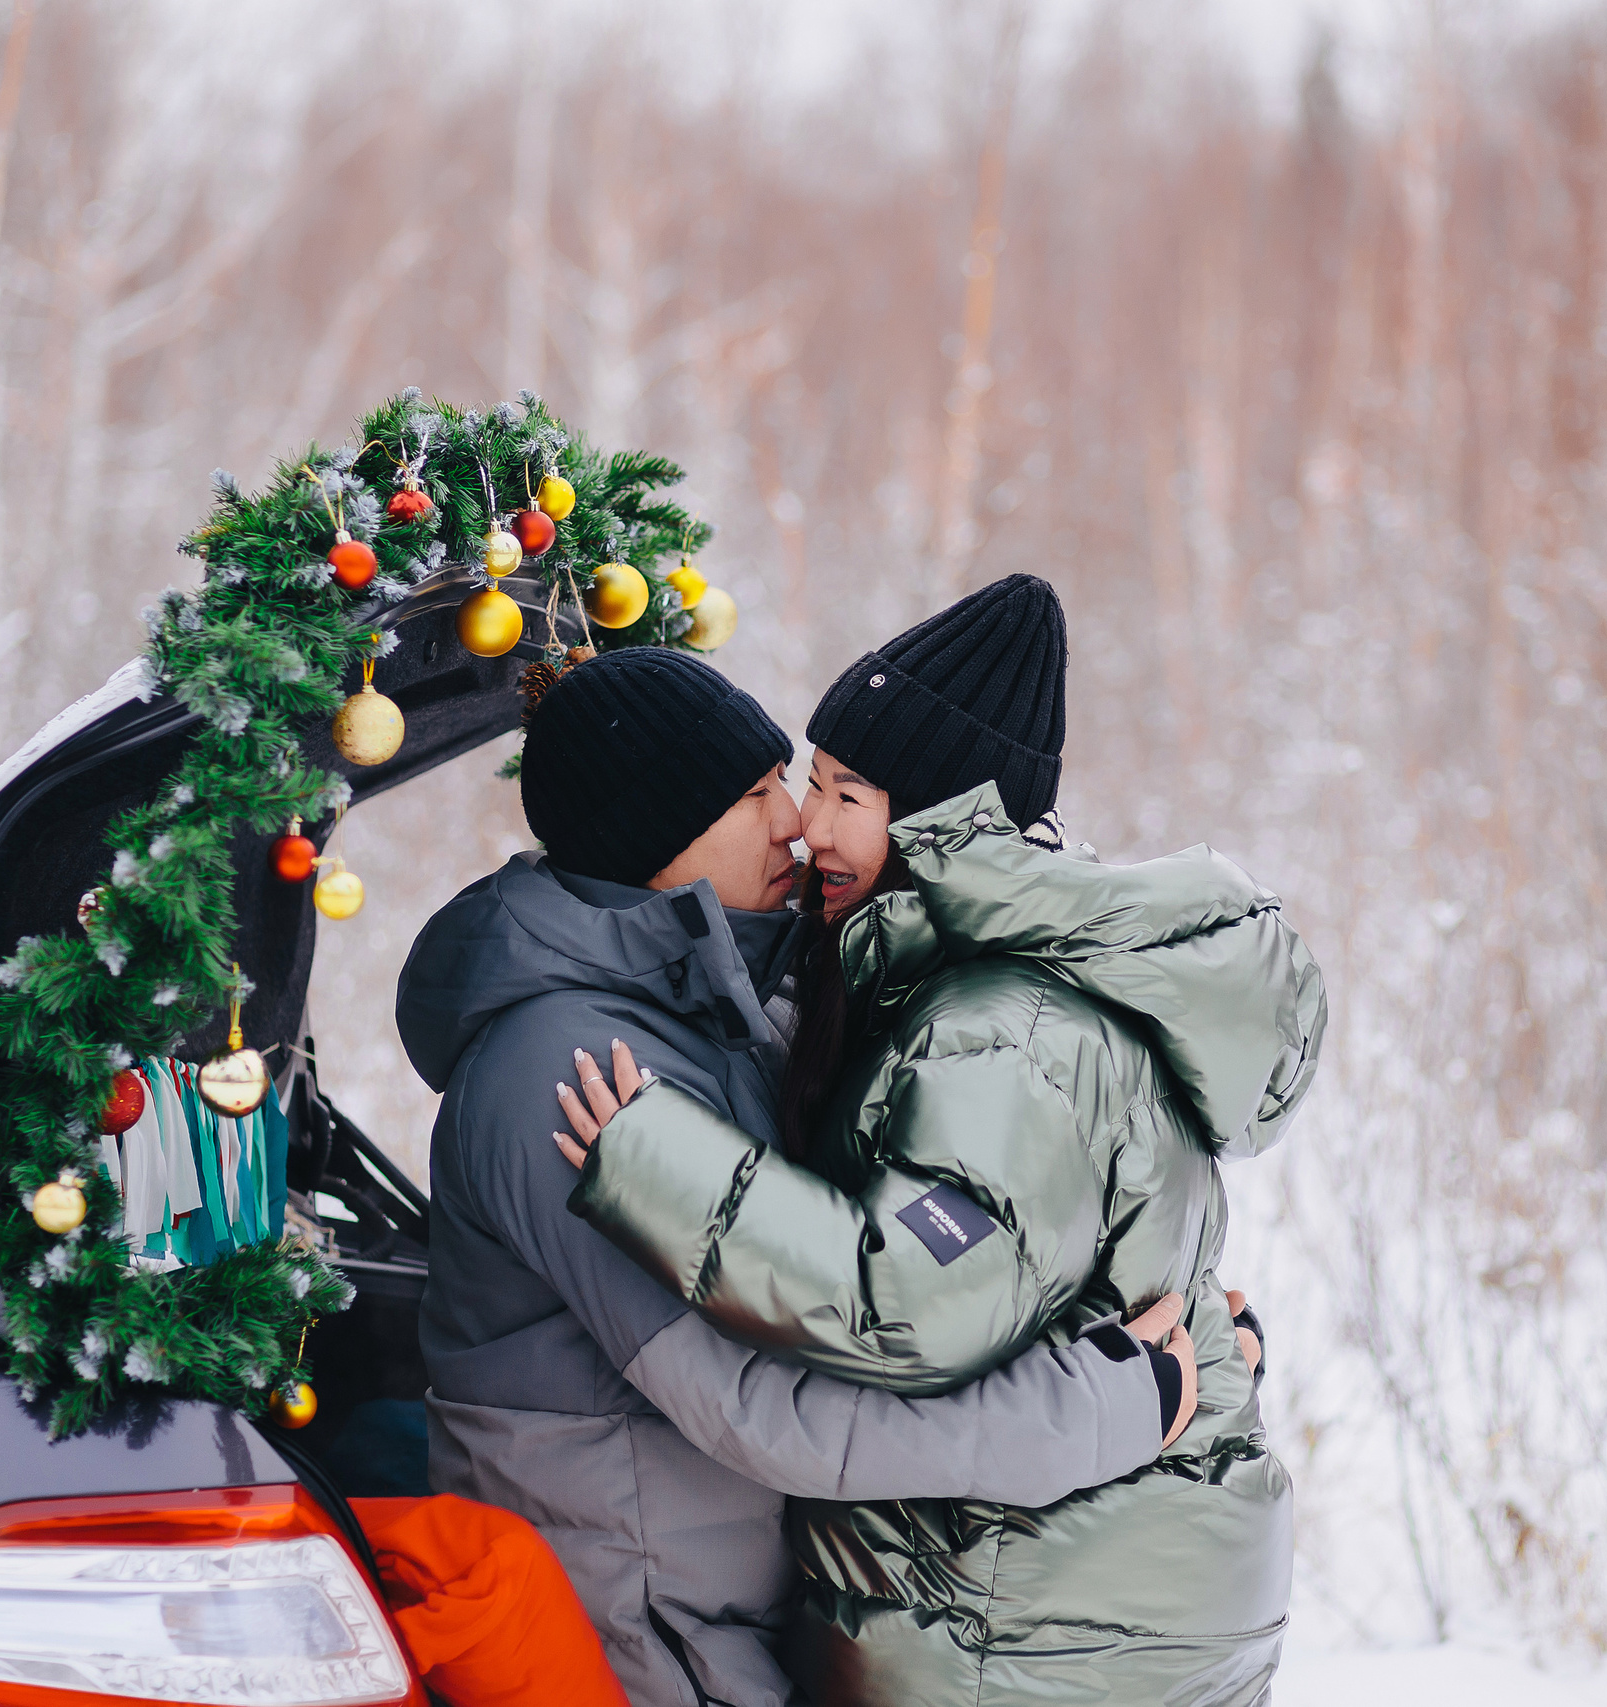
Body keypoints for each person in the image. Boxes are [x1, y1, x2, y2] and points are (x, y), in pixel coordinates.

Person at [556, 575, 1328, 1707]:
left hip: (1035, 1610)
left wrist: (656, 1165)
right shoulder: (953, 988)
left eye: (845, 794)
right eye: (811, 786)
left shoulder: (1001, 1032)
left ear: (942, 827)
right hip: (1077, 1583)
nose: (810, 825)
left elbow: (910, 1300)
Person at [395, 645, 1206, 1707]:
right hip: (626, 1634)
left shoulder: (716, 1010)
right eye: (753, 794)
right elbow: (760, 1405)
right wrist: (1094, 1410)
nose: (792, 821)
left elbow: (872, 1273)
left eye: (788, 781)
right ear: (654, 836)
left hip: (716, 1609)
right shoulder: (572, 1076)